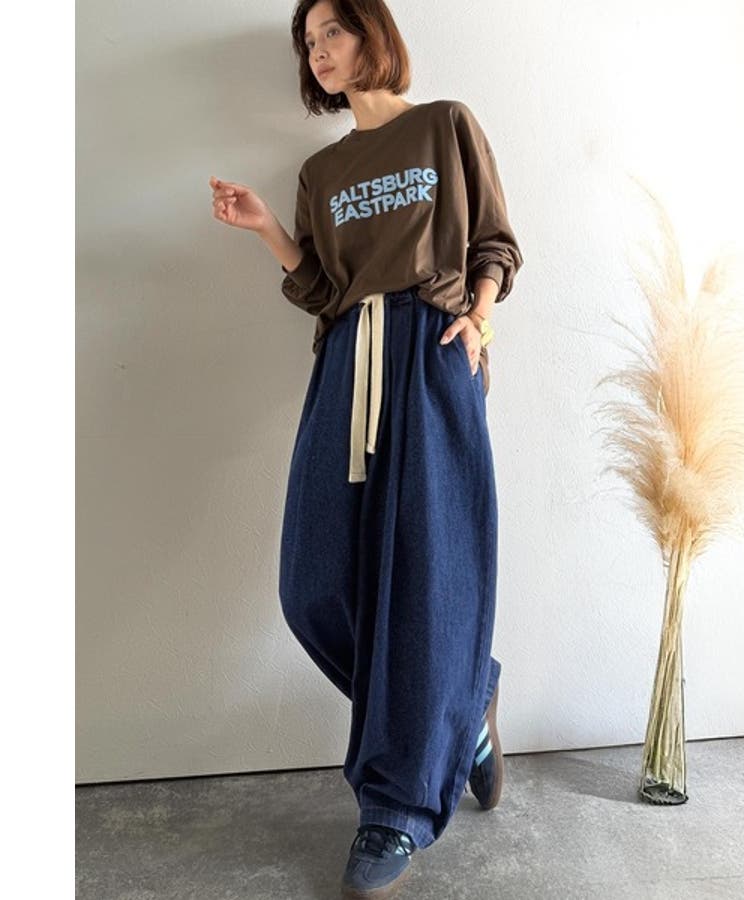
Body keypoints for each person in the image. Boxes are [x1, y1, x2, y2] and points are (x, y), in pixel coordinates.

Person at [209, 1, 523, 895]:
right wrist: (268, 230)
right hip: (348, 359)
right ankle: (463, 702)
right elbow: (322, 288)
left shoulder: (444, 126)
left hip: (432, 350)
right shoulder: (322, 171)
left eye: (332, 33)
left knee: (427, 580)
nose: (319, 52)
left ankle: (394, 810)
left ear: (371, 33)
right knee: (311, 585)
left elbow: (495, 241)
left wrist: (479, 321)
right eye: (308, 43)